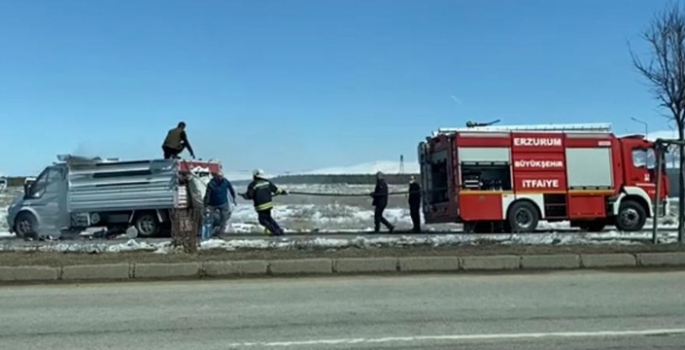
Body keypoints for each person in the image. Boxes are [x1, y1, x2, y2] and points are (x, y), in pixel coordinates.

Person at [241, 169, 287, 236]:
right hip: (269, 204)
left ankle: (275, 232)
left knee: (262, 220)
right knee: (269, 218)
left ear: (255, 175)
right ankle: (279, 230)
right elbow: (276, 190)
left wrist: (244, 196)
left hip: (260, 205)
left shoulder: (253, 185)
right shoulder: (267, 182)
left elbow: (250, 196)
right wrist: (283, 192)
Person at [204, 171, 236, 237]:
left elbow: (231, 190)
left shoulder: (226, 182)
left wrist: (234, 198)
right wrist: (206, 205)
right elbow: (208, 194)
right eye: (218, 177)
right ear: (215, 177)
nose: (220, 178)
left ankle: (221, 233)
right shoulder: (211, 184)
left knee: (224, 219)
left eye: (221, 176)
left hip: (223, 203)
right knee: (211, 218)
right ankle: (211, 232)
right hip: (213, 204)